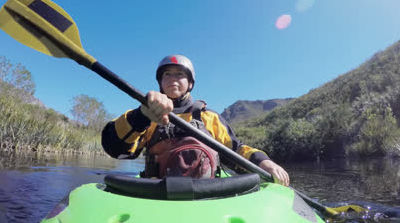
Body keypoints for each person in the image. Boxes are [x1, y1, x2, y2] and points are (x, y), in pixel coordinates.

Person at [102, 55, 290, 186]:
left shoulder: (210, 117)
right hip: (156, 191)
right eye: (167, 74)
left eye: (179, 74)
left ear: (190, 83)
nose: (172, 79)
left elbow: (236, 150)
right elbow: (116, 150)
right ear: (160, 82)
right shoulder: (146, 115)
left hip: (205, 191)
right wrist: (141, 116)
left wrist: (264, 162)